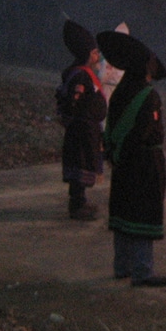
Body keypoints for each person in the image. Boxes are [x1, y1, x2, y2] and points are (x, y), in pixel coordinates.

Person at [98, 30, 166, 288]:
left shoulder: (120, 92)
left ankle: (122, 266)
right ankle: (142, 271)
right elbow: (144, 132)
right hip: (145, 163)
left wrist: (113, 153)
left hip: (122, 161)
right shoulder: (148, 96)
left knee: (123, 212)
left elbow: (112, 126)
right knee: (143, 214)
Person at [58, 20, 107, 221]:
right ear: (87, 54)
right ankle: (77, 205)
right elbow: (74, 102)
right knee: (80, 164)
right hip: (81, 131)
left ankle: (81, 201)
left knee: (84, 163)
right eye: (95, 52)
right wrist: (81, 119)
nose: (97, 56)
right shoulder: (79, 76)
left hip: (87, 129)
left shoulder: (85, 74)